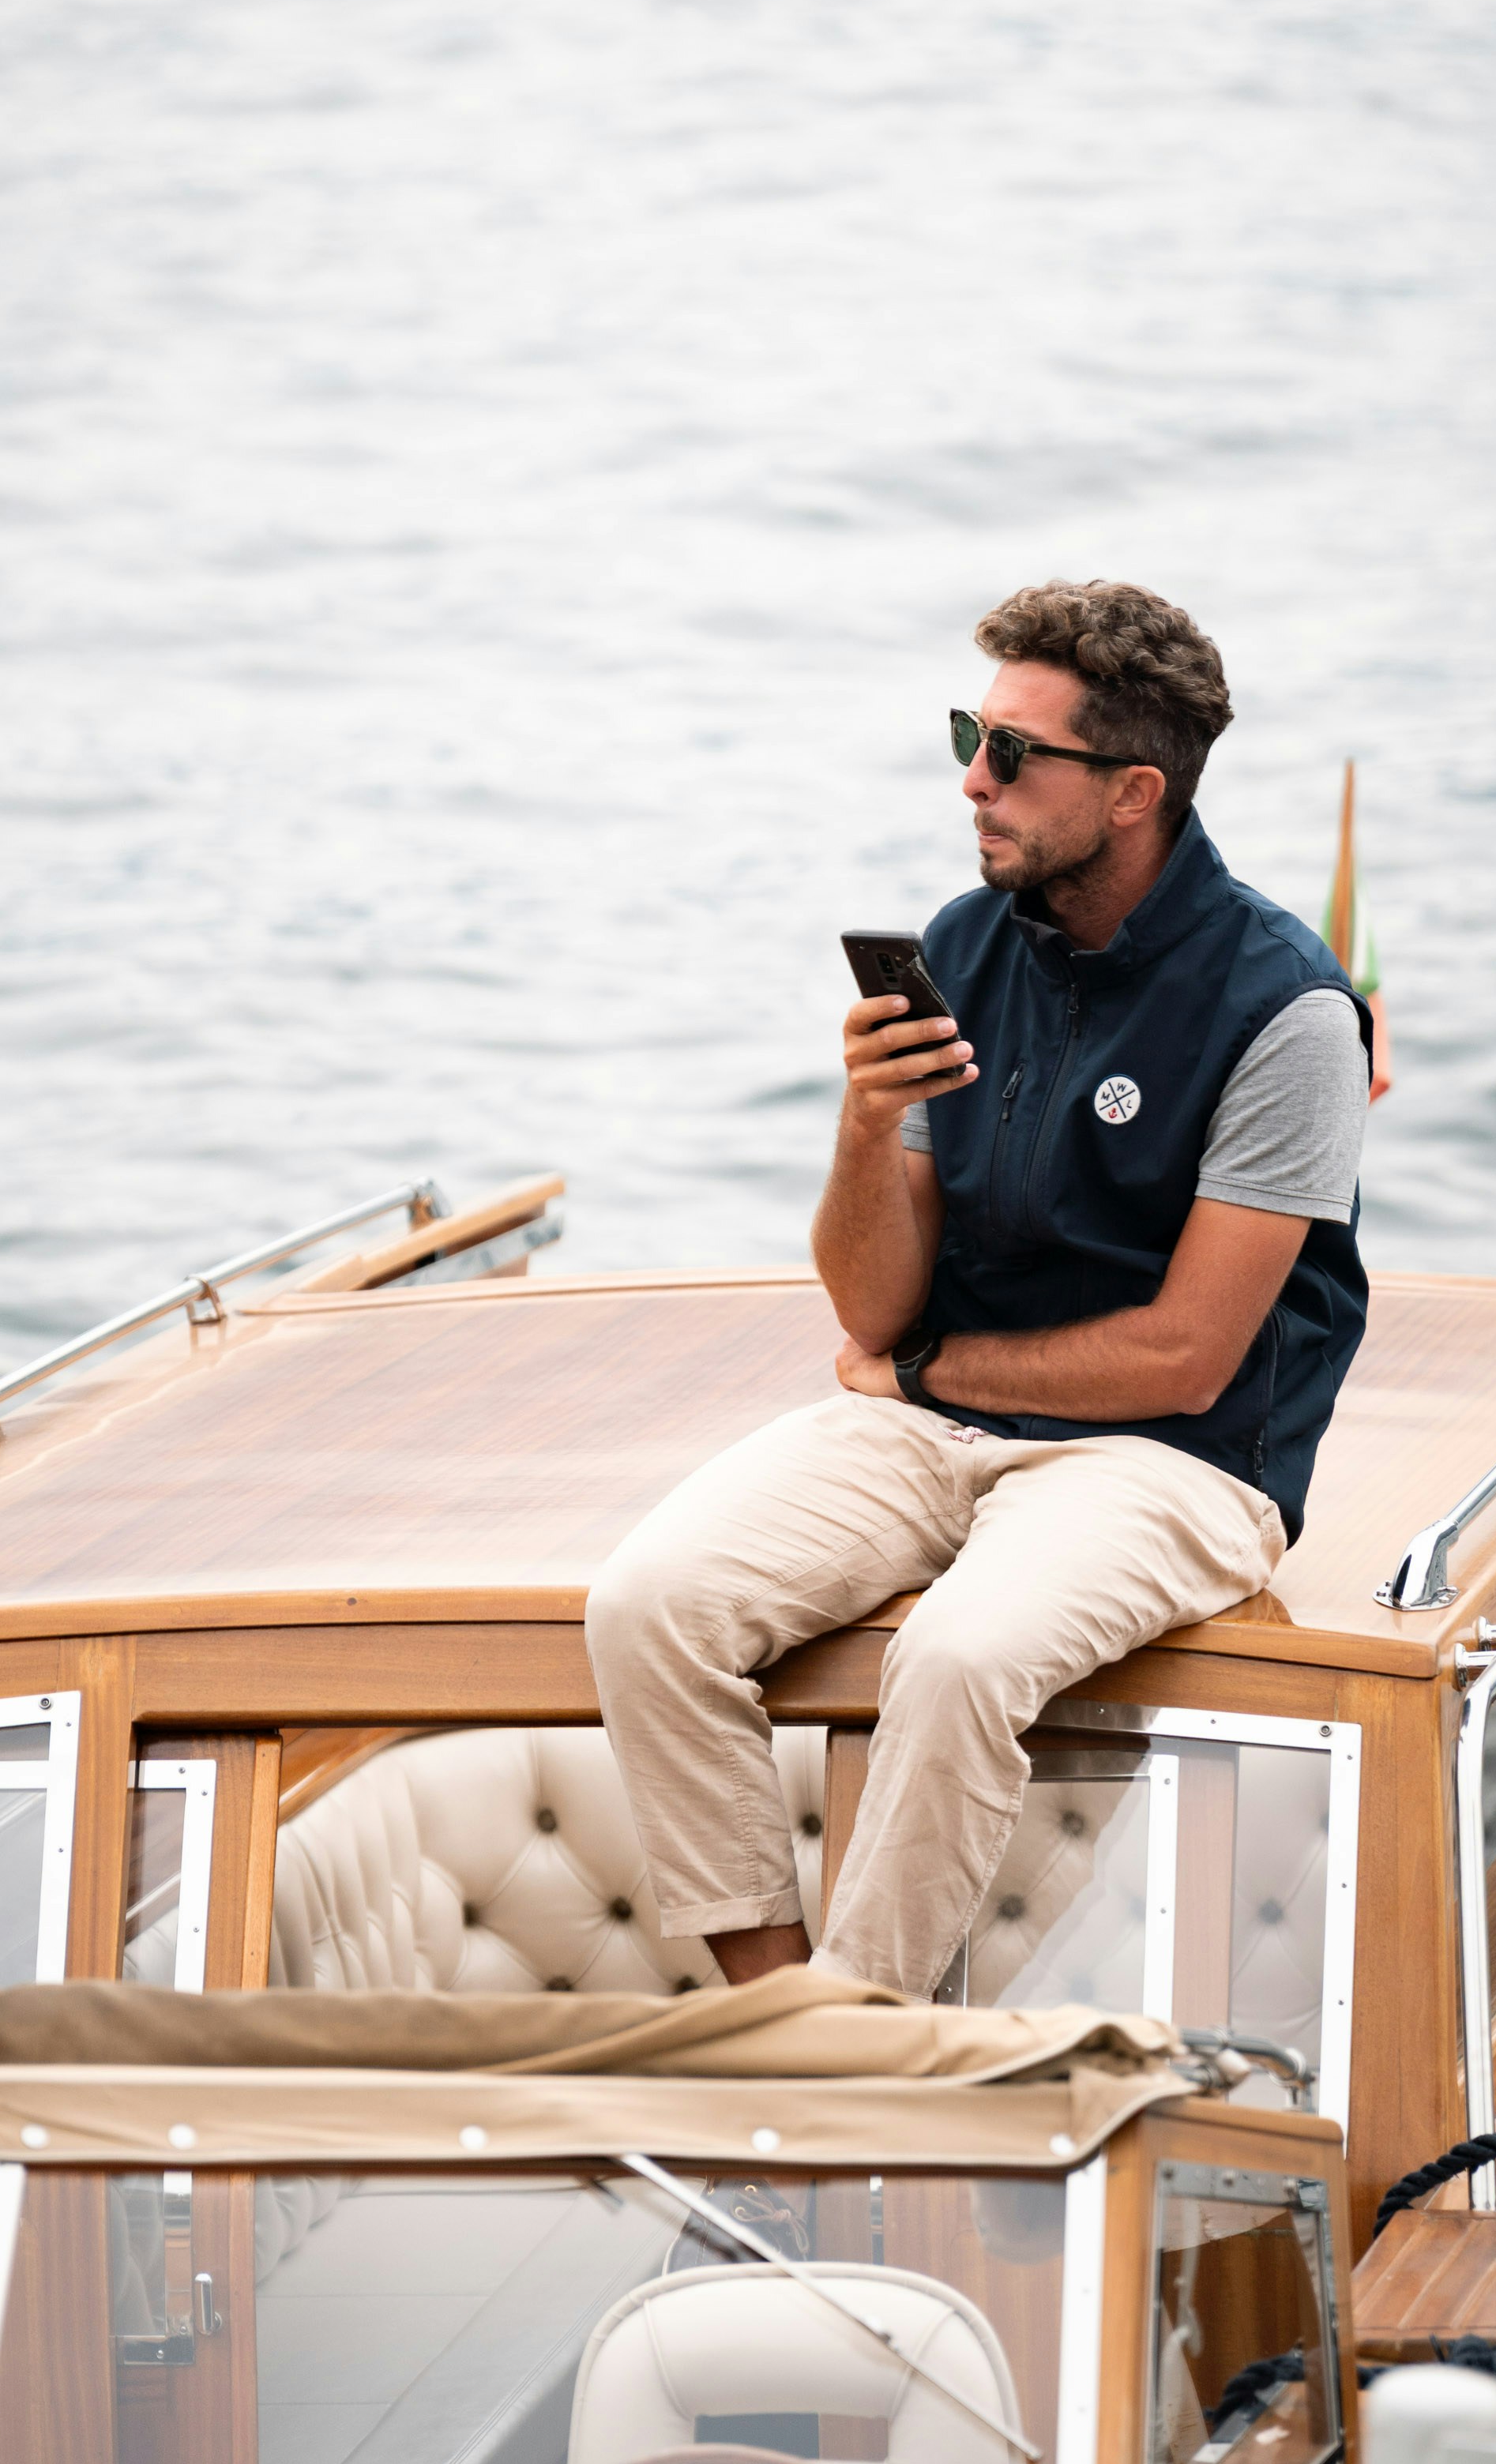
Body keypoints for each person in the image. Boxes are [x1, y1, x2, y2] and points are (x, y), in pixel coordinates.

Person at [585, 580, 1373, 2002]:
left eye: (1010, 752)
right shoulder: (964, 940)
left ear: (1132, 791)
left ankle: (853, 2049)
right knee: (648, 1604)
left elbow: (1187, 1358)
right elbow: (872, 1318)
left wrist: (930, 1377)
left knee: (955, 1660)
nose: (971, 778)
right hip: (936, 1419)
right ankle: (778, 2017)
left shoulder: (1290, 1012)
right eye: (970, 733)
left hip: (1178, 1462)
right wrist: (862, 1121)